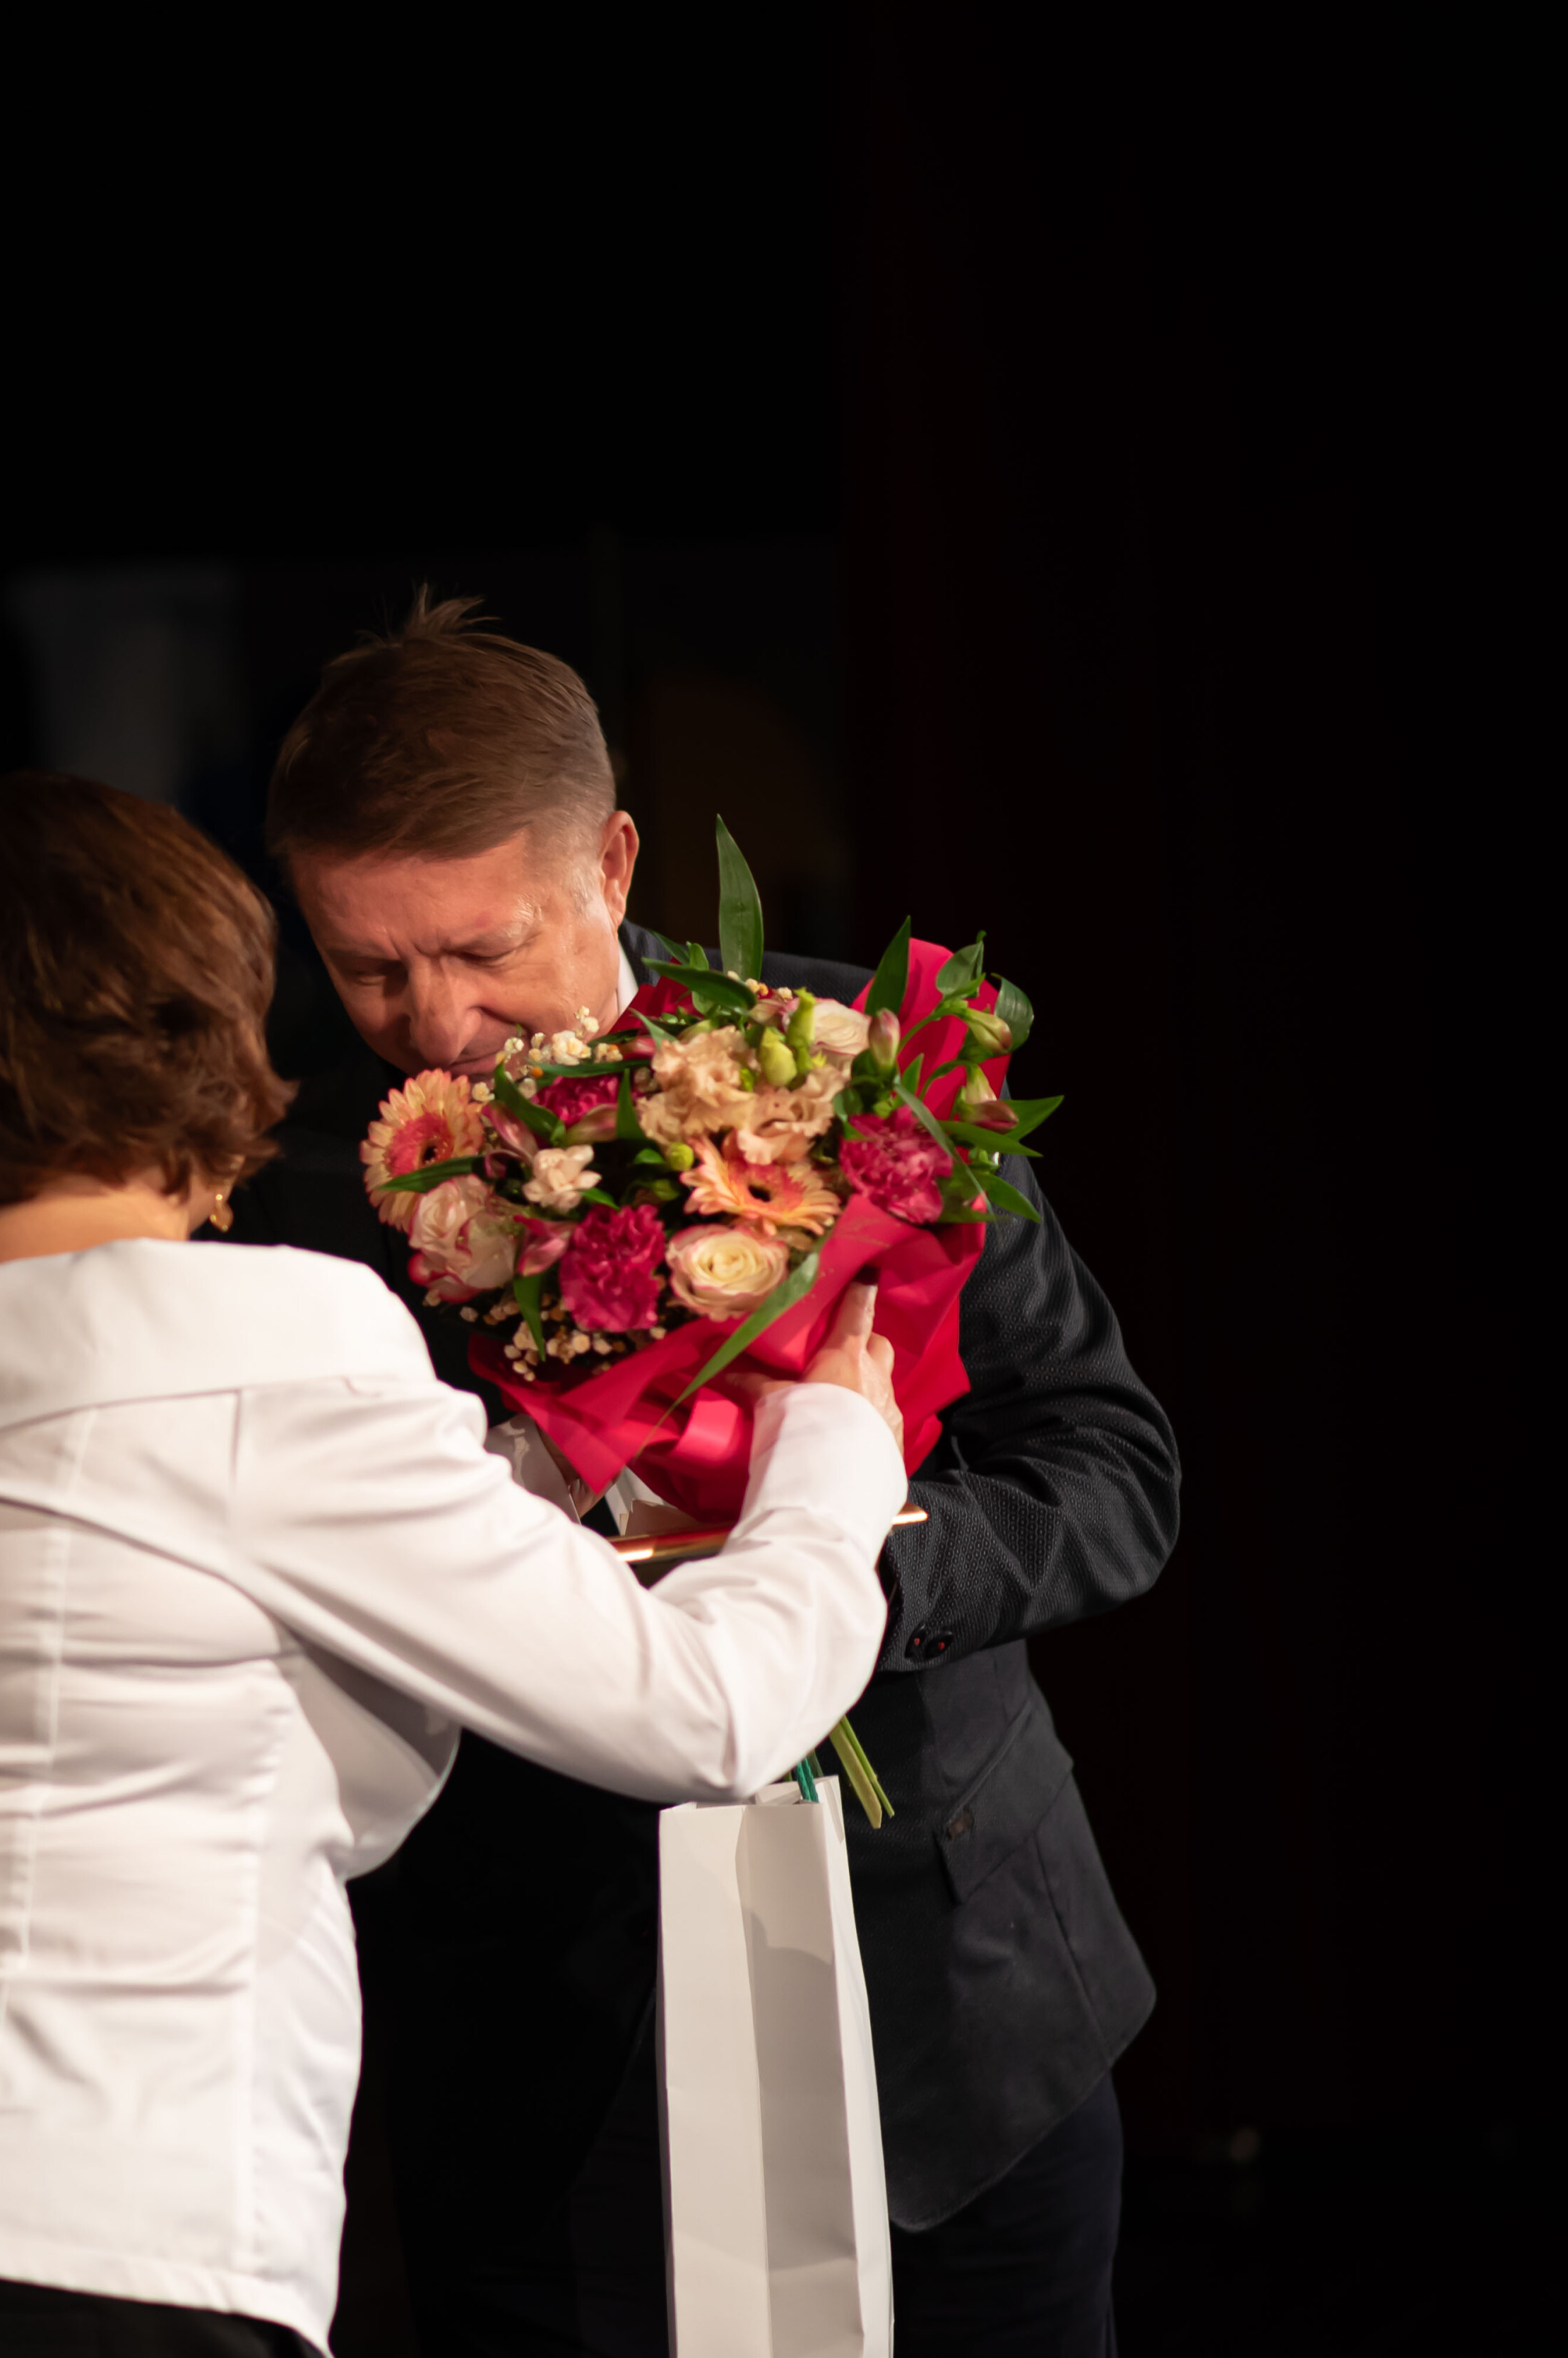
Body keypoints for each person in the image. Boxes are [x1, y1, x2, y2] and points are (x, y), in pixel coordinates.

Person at [0, 774, 912, 2357]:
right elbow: (702, 1710)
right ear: (195, 1027)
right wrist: (834, 1447)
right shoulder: (269, 1334)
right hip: (81, 2235)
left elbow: (163, 1556)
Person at [232, 595, 1180, 2357]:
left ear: (609, 863)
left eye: (481, 947)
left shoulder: (859, 1075)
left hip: (956, 2006)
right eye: (368, 968)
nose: (434, 1025)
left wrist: (840, 1569)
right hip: (537, 2042)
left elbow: (1109, 1469)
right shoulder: (297, 1199)